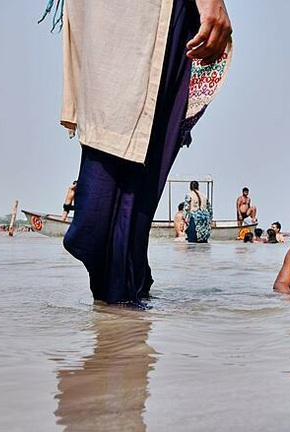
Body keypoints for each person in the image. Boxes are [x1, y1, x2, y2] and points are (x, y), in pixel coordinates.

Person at [45, 0, 232, 306]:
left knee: (135, 155)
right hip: (117, 14)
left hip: (149, 13)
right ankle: (122, 308)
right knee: (118, 130)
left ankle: (122, 322)